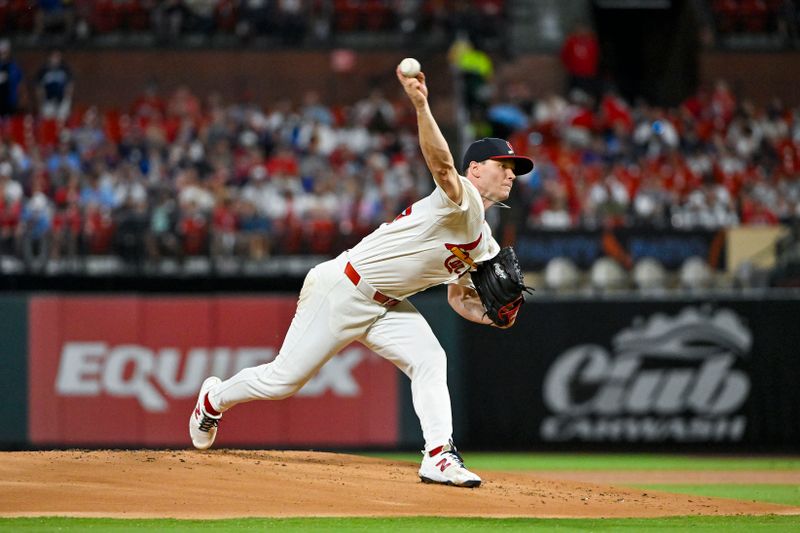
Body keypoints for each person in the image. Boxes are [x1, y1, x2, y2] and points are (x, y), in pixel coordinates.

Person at [188, 64, 533, 488]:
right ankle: (213, 399)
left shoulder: (484, 242)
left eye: (516, 168)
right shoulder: (460, 200)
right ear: (476, 169)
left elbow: (457, 298)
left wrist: (490, 317)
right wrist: (421, 105)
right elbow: (442, 166)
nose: (513, 173)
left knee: (430, 358)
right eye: (505, 164)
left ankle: (439, 456)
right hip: (343, 288)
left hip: (387, 306)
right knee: (282, 381)